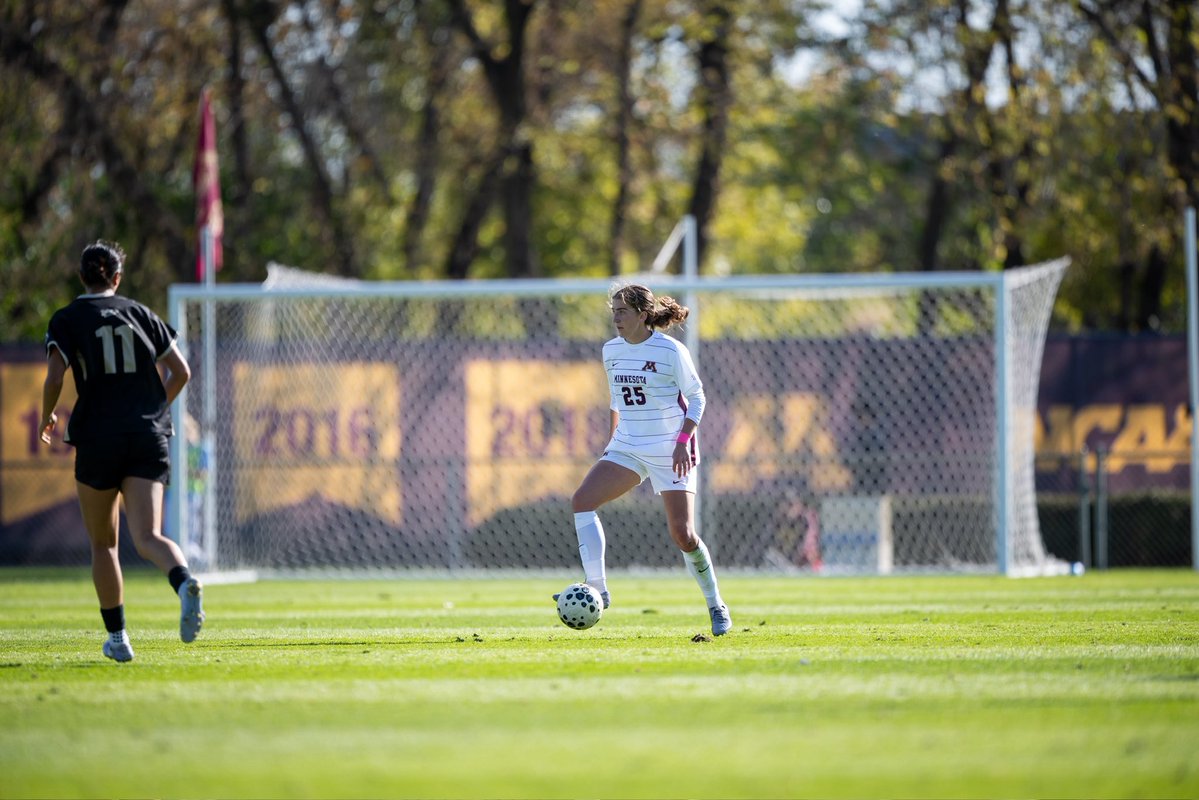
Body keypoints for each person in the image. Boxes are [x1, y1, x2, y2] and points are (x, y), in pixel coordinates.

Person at [40, 240, 204, 663]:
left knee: (103, 544)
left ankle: (118, 638)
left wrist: (46, 417)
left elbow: (55, 376)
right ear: (117, 278)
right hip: (146, 435)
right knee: (149, 536)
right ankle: (184, 580)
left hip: (98, 437)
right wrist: (152, 410)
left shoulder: (68, 318)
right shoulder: (141, 313)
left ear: (82, 277)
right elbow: (181, 371)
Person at [564, 283, 732, 636]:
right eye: (613, 311)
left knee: (683, 535)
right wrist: (613, 443)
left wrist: (683, 441)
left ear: (643, 315)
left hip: (670, 447)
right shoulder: (610, 350)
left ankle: (716, 605)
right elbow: (615, 399)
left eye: (622, 311)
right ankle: (599, 588)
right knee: (582, 501)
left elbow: (697, 397)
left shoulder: (671, 351)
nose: (615, 318)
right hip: (628, 445)